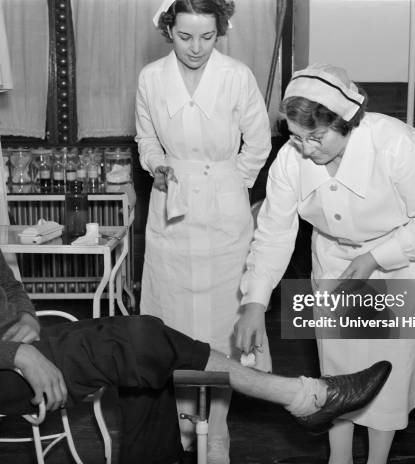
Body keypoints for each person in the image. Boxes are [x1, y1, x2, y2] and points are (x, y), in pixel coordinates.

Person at [0, 92, 392, 464]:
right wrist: (19, 353)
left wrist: (23, 313)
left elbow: (7, 284)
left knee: (147, 353)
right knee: (142, 339)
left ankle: (286, 403)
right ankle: (301, 395)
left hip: (12, 349)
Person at [235, 65, 415, 464]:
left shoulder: (393, 143)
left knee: (387, 371)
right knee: (337, 369)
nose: (305, 148)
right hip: (335, 260)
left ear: (346, 122)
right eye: (297, 137)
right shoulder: (290, 160)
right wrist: (254, 301)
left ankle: (377, 460)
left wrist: (375, 258)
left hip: (399, 263)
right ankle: (339, 458)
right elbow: (273, 233)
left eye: (315, 137)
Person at [135, 0, 272, 460]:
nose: (196, 48)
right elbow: (146, 138)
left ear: (220, 33)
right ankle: (181, 422)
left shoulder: (237, 76)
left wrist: (232, 186)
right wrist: (156, 165)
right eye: (185, 36)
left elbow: (258, 143)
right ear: (168, 30)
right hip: (170, 203)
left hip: (224, 207)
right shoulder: (151, 78)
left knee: (222, 326)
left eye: (207, 37)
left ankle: (218, 428)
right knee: (172, 324)